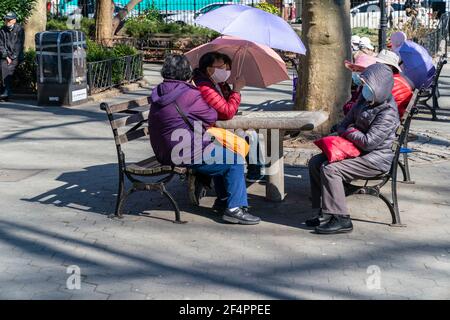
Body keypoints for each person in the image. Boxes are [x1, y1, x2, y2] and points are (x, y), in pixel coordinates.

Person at [149, 54, 260, 225]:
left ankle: (224, 199)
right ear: (186, 73)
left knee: (221, 152)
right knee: (234, 160)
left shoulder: (159, 91)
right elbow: (211, 116)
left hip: (163, 149)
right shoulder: (188, 94)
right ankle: (234, 209)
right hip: (183, 150)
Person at [306, 63, 400, 234]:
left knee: (330, 170)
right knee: (315, 163)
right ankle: (324, 213)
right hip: (357, 151)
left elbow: (369, 142)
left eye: (368, 85)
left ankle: (341, 219)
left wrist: (348, 130)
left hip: (375, 159)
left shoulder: (388, 112)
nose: (364, 88)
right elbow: (343, 123)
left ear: (379, 87)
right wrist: (347, 129)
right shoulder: (364, 100)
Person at [192, 51, 265, 183]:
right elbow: (226, 112)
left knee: (251, 133)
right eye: (221, 68)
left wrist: (231, 91)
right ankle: (253, 171)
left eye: (227, 67)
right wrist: (236, 91)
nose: (226, 71)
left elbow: (230, 108)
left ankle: (255, 171)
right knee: (248, 135)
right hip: (208, 130)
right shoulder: (204, 86)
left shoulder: (218, 83)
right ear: (209, 69)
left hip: (218, 125)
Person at [0, 12, 24, 100]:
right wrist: (6, 56)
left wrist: (12, 57)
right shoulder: (2, 30)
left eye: (9, 20)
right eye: (6, 20)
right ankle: (7, 92)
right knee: (3, 65)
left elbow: (19, 45)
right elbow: (1, 45)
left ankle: (6, 91)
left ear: (14, 20)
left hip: (16, 56)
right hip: (5, 56)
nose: (7, 22)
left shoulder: (19, 29)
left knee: (8, 68)